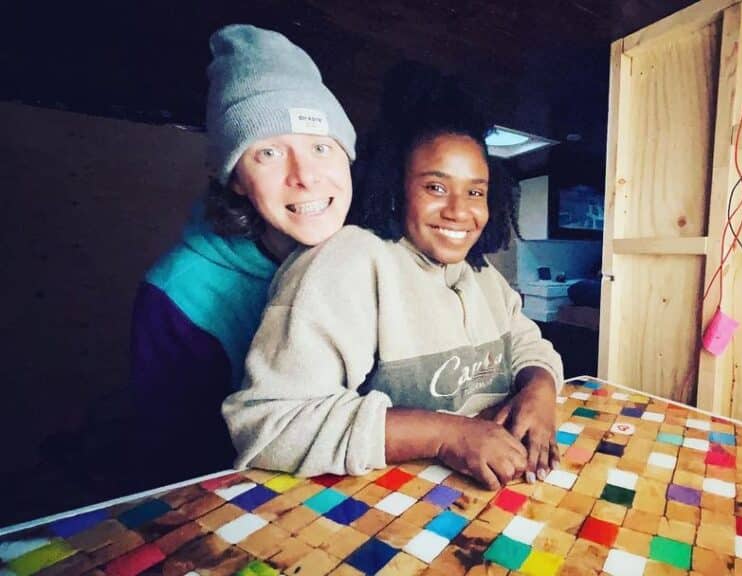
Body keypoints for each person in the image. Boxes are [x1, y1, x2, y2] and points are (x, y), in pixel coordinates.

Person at [223, 82, 564, 490]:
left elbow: (527, 343)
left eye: (475, 191)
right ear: (396, 187)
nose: (459, 210)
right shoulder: (347, 261)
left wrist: (540, 388)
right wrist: (446, 435)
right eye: (435, 187)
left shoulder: (483, 274)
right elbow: (270, 425)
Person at [129, 24, 356, 479]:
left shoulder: (368, 256)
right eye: (268, 153)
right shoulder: (176, 297)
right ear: (233, 179)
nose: (306, 175)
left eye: (319, 147)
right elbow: (174, 466)